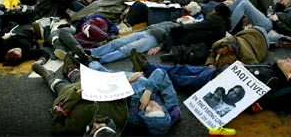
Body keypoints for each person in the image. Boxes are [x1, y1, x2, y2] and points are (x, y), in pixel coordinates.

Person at [31, 53, 181, 136]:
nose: (152, 105)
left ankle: (52, 74)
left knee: (59, 85)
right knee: (95, 70)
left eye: (149, 110)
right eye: (158, 108)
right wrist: (147, 90)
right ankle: (81, 62)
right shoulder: (170, 107)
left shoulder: (128, 117)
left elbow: (56, 126)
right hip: (120, 81)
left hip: (74, 94)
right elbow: (160, 75)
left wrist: (62, 109)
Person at [130, 53, 291, 113]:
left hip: (213, 82)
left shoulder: (272, 80)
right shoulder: (272, 70)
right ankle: (148, 67)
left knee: (179, 79)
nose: (288, 59)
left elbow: (253, 101)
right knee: (182, 68)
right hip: (215, 73)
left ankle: (148, 72)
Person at [88, 21, 179, 64]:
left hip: (153, 39)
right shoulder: (170, 21)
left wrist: (159, 47)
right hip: (145, 32)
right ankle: (93, 52)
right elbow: (153, 25)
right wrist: (137, 32)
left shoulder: (179, 29)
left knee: (127, 49)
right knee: (117, 42)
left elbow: (171, 39)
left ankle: (101, 59)